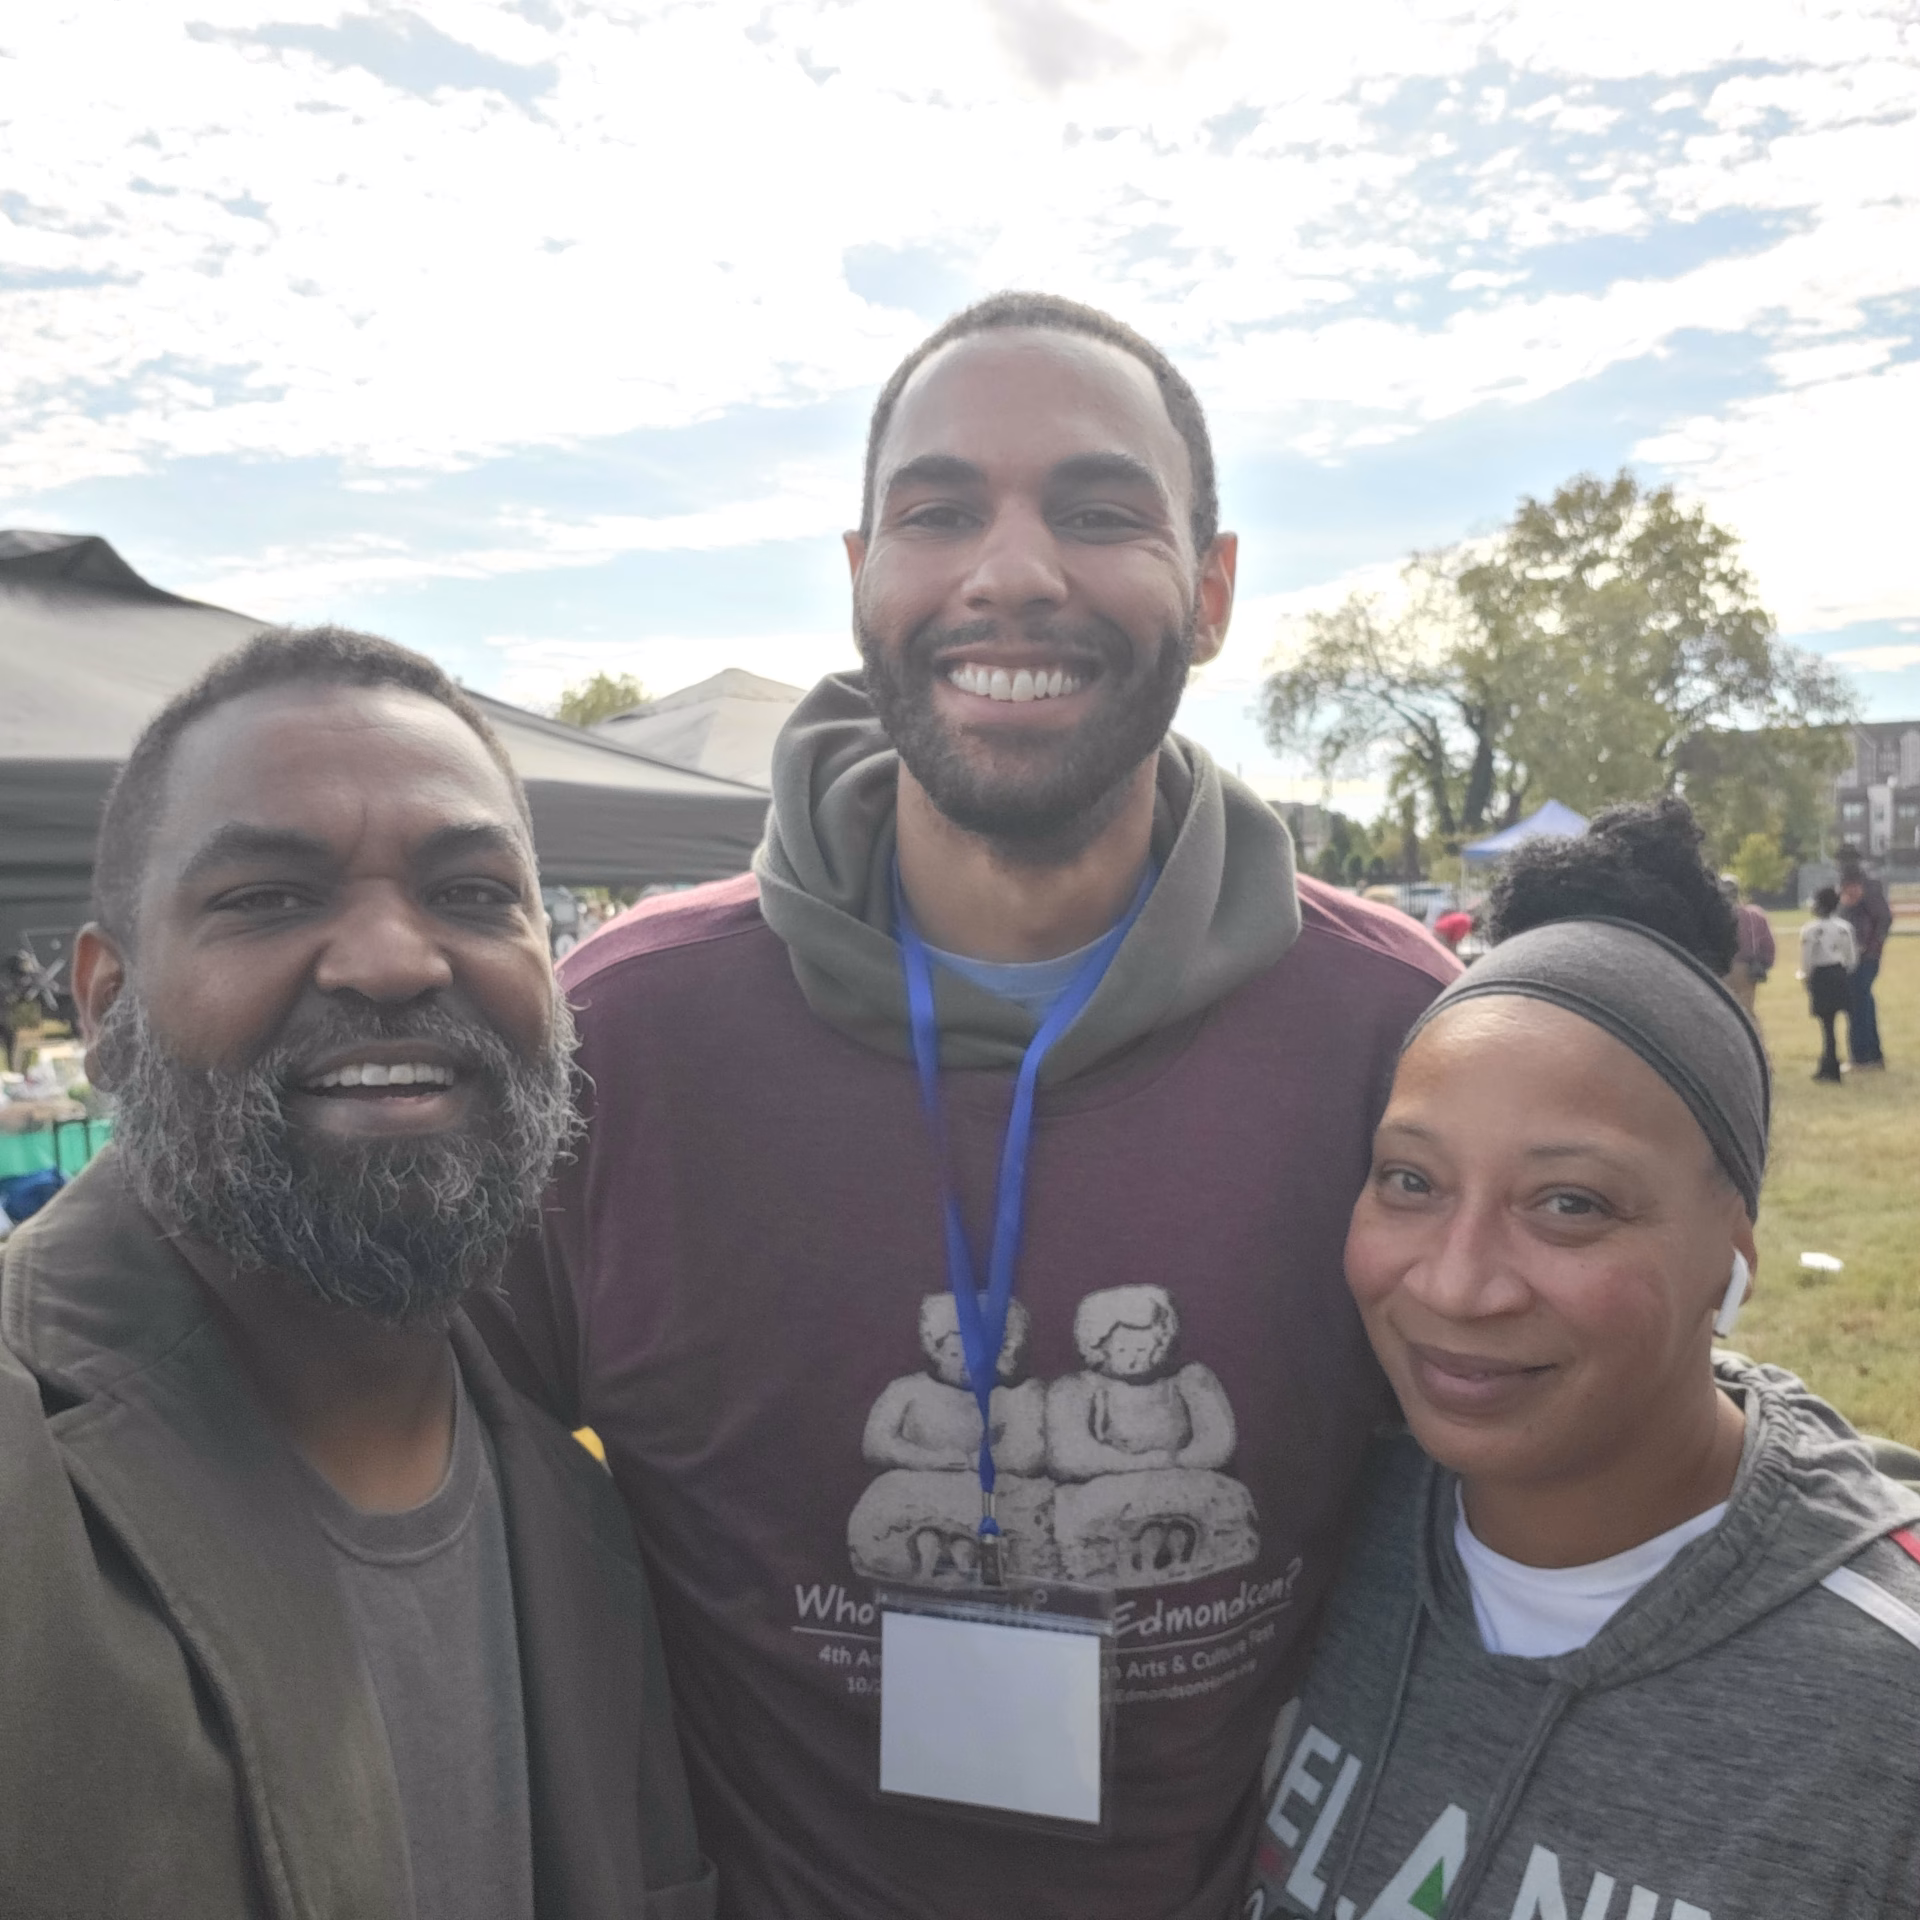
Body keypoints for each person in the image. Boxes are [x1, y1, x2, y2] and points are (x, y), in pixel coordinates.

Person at [473, 292, 1457, 1919]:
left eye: (1099, 511)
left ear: (1211, 592)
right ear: (862, 576)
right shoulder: (621, 1040)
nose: (1011, 571)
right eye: (938, 513)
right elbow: (385, 1462)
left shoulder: (1397, 1035)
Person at [0, 629, 713, 1920]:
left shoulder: (592, 1520)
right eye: (268, 897)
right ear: (104, 1007)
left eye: (473, 893)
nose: (394, 960)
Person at [1250, 799, 1920, 1920]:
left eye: (1570, 1203)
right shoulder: (1314, 1534)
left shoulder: (1886, 1702)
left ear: (1733, 1258)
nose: (1456, 1285)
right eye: (1411, 1181)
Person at [1837, 849, 1892, 1069]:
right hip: (1851, 957)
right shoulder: (1852, 888)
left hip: (1866, 958)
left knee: (1859, 1004)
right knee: (1862, 1003)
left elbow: (1884, 919)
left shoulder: (1870, 890)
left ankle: (1863, 1056)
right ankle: (1870, 1055)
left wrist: (1872, 947)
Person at [1801, 884, 1859, 1083]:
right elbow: (1851, 957)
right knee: (1837, 1021)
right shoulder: (1844, 928)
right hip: (1839, 973)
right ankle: (1834, 1061)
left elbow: (1807, 959)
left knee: (1827, 1024)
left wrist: (1806, 977)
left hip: (1821, 975)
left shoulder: (1810, 930)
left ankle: (1829, 1065)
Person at [1721, 875, 1774, 1014]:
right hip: (1746, 966)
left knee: (1724, 1006)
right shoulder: (1754, 914)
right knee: (1746, 1008)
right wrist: (1765, 962)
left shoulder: (1715, 914)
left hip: (1721, 965)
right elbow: (1767, 942)